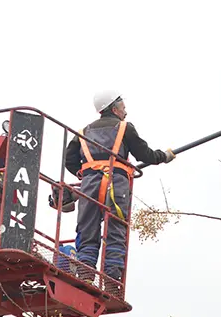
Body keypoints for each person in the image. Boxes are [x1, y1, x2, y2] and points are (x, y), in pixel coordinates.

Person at [64, 90, 175, 287]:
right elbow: (145, 155)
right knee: (115, 229)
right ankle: (111, 281)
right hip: (115, 185)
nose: (126, 111)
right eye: (123, 107)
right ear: (114, 109)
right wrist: (163, 157)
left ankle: (86, 275)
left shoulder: (83, 133)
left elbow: (69, 161)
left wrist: (88, 173)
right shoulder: (124, 128)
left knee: (87, 227)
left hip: (89, 186)